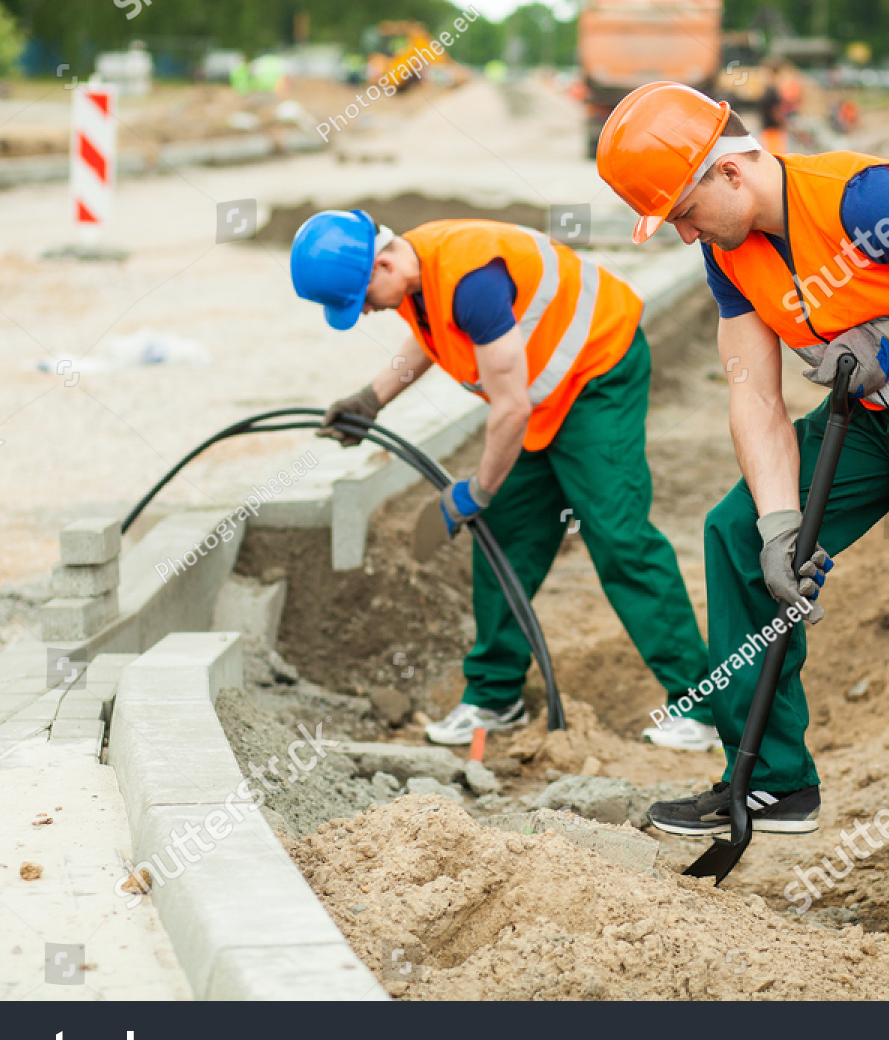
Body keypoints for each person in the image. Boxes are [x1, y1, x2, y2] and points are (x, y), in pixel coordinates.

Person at [595, 83, 889, 944]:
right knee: (734, 534)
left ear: (729, 171)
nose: (687, 233)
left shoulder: (864, 200)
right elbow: (754, 396)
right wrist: (778, 526)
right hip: (875, 423)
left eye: (686, 211)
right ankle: (771, 779)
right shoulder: (729, 249)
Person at [289, 211, 719, 751]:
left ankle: (701, 706)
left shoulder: (473, 281)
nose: (368, 310)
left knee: (618, 535)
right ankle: (495, 698)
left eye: (363, 296)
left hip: (597, 373)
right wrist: (372, 400)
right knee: (504, 537)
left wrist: (478, 490)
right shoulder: (417, 271)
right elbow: (432, 336)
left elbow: (510, 408)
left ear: (382, 261)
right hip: (541, 392)